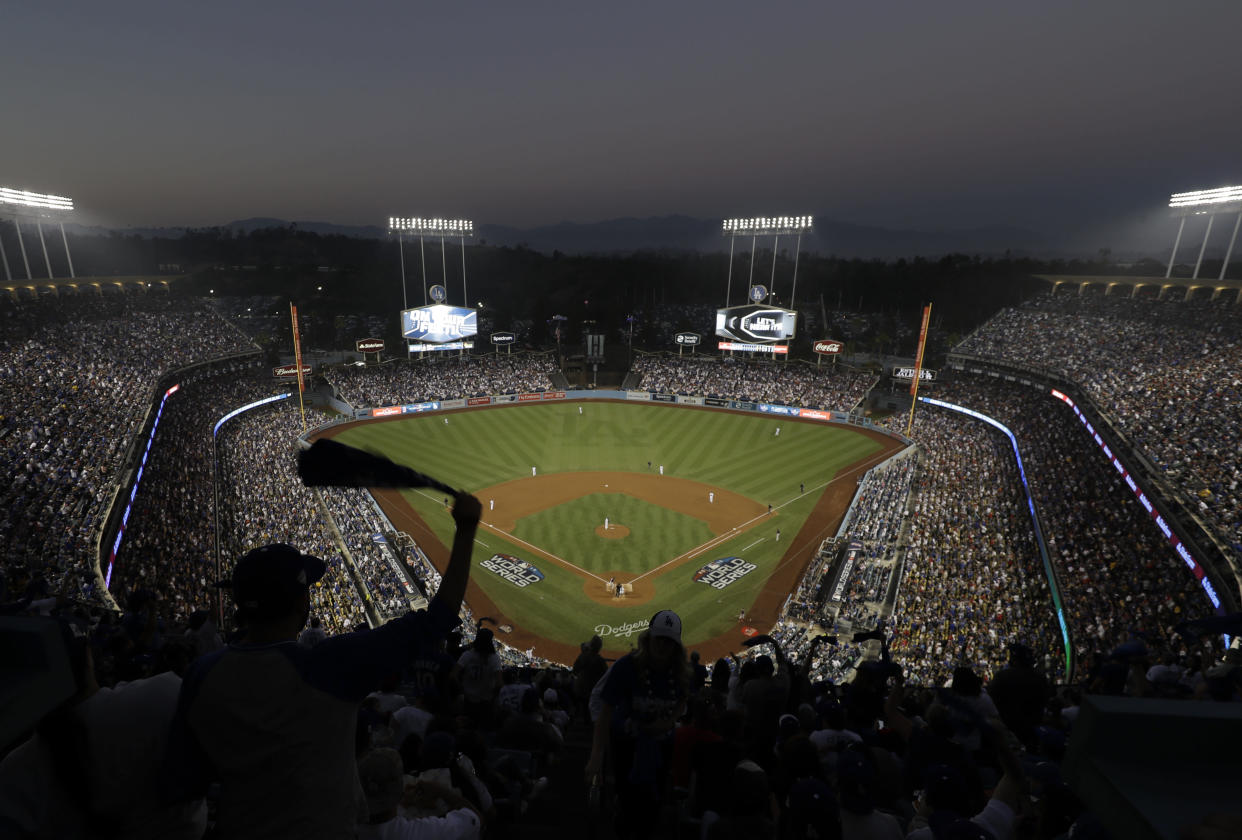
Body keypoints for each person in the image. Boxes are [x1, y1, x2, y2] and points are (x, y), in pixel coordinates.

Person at [164, 494, 481, 840]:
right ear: (302, 603)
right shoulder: (330, 664)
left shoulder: (202, 674)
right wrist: (465, 531)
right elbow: (439, 618)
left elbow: (182, 786)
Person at [586, 610, 689, 839]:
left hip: (662, 746)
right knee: (628, 801)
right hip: (627, 744)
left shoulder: (680, 671)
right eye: (659, 638)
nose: (662, 645)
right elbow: (605, 710)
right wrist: (596, 754)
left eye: (669, 641)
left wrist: (667, 722)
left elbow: (683, 700)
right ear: (648, 638)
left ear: (676, 645)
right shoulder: (626, 666)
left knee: (653, 805)